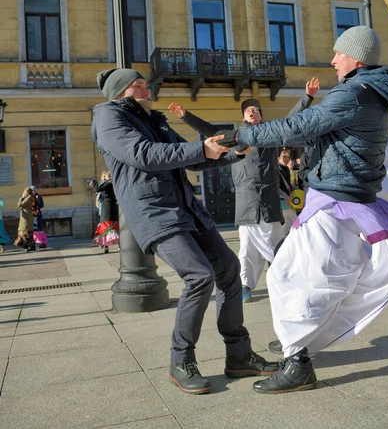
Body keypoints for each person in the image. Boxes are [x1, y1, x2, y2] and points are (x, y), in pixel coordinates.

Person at [214, 26, 388, 394]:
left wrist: (241, 135)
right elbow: (308, 131)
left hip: (334, 203)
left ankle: (298, 362)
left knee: (292, 277)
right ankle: (301, 343)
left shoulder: (354, 93)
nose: (334, 60)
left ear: (356, 58)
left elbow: (297, 126)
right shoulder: (370, 93)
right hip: (340, 199)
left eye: (339, 53)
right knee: (308, 276)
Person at [91, 68, 279, 395]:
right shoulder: (109, 118)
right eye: (138, 85)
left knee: (229, 268)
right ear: (121, 92)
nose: (146, 88)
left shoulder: (155, 119)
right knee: (199, 275)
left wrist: (230, 151)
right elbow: (144, 155)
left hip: (186, 209)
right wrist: (201, 149)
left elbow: (190, 159)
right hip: (154, 213)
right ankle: (181, 360)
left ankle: (238, 354)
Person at [169, 80, 319, 303]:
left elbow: (290, 120)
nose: (253, 111)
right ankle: (247, 286)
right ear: (243, 117)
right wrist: (185, 116)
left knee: (276, 242)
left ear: (261, 117)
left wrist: (306, 97)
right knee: (248, 248)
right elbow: (209, 130)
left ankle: (288, 279)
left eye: (257, 110)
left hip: (268, 201)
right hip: (246, 202)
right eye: (249, 110)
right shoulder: (236, 137)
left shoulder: (272, 134)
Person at [92, 171, 120, 253]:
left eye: (105, 176)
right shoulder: (111, 183)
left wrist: (94, 183)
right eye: (103, 176)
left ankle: (107, 245)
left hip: (108, 207)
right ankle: (107, 245)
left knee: (106, 226)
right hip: (108, 207)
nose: (104, 178)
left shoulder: (109, 183)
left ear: (108, 177)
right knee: (111, 226)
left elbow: (98, 189)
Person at [278, 149, 297, 235]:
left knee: (289, 225)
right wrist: (286, 196)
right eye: (286, 159)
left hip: (287, 199)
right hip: (283, 200)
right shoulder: (276, 169)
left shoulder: (285, 168)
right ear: (282, 157)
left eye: (289, 159)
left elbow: (288, 184)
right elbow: (276, 187)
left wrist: (296, 189)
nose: (288, 161)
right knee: (295, 224)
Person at [15, 187, 35, 252]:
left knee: (23, 232)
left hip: (25, 217)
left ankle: (25, 247)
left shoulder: (27, 198)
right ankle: (32, 246)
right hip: (29, 216)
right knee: (29, 231)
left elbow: (19, 205)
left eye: (24, 192)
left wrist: (21, 197)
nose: (23, 193)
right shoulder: (32, 197)